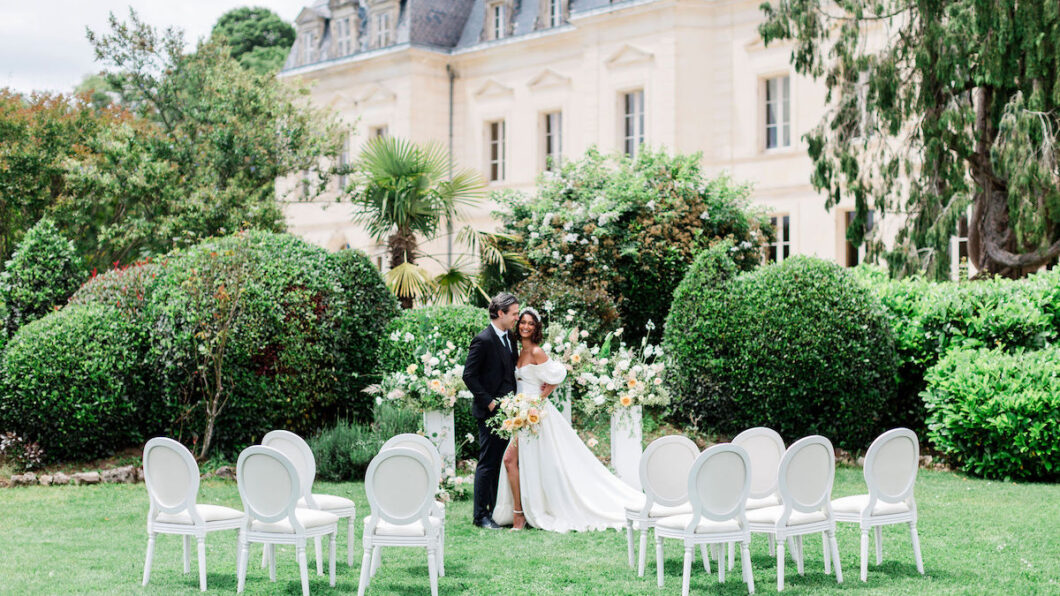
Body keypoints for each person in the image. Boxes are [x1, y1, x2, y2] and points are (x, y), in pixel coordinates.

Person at [493, 307, 642, 533]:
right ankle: (520, 512)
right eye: (522, 322)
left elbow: (559, 374)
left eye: (530, 323)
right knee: (514, 461)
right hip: (521, 414)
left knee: (517, 461)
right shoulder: (518, 351)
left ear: (536, 328)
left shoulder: (536, 351)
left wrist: (541, 396)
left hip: (534, 415)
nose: (525, 326)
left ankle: (522, 515)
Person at [462, 292, 520, 530]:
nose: (516, 317)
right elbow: (469, 375)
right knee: (488, 463)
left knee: (500, 462)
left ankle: (495, 510)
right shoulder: (483, 340)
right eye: (514, 313)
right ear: (500, 313)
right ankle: (480, 516)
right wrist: (490, 403)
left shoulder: (510, 338)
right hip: (490, 413)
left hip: (510, 413)